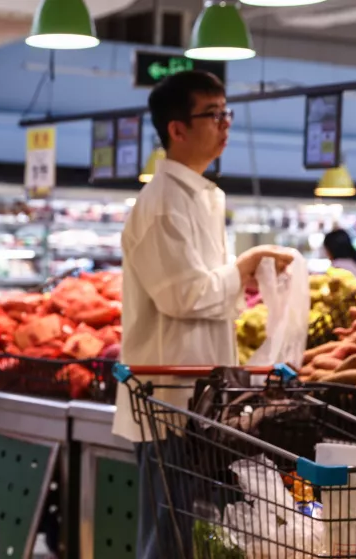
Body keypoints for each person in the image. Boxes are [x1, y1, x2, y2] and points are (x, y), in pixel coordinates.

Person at [112, 70, 293, 558]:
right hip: (169, 399)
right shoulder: (162, 205)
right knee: (170, 537)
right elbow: (183, 297)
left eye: (226, 112)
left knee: (195, 536)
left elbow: (204, 287)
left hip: (203, 399)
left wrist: (243, 278)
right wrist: (244, 267)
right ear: (177, 128)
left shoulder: (203, 196)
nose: (225, 123)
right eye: (213, 114)